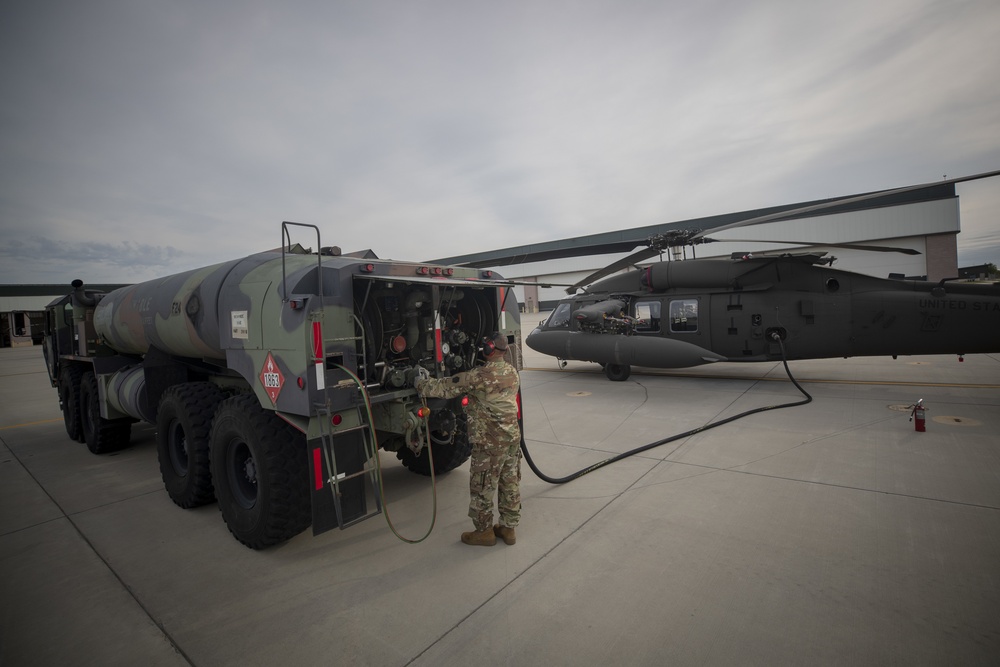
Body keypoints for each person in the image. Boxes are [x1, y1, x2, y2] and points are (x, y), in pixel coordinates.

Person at [416, 332, 522, 546]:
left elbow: (445, 388)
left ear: (488, 350)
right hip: (512, 438)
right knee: (509, 482)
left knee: (483, 485)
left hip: (489, 442)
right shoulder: (512, 372)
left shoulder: (478, 376)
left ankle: (484, 532)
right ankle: (508, 529)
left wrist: (420, 383)